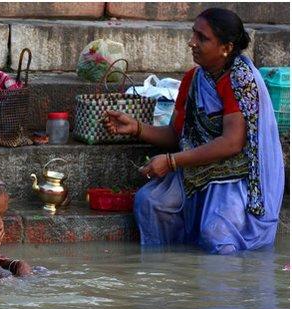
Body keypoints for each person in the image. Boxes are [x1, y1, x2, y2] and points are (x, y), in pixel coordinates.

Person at [104, 8, 284, 254]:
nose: (192, 43)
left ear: (226, 47)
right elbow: (177, 134)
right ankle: (165, 272)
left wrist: (171, 161)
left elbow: (232, 143)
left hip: (234, 176)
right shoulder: (193, 79)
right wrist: (135, 128)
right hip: (194, 169)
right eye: (193, 35)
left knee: (216, 235)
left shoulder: (240, 80)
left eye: (202, 38)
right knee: (150, 203)